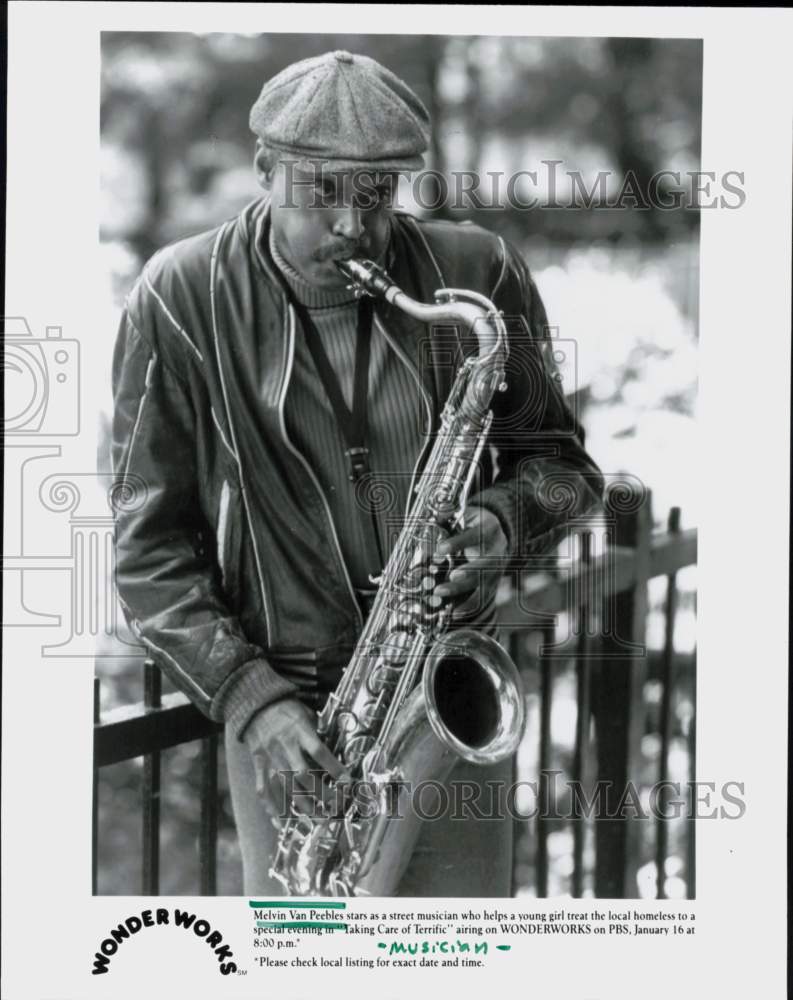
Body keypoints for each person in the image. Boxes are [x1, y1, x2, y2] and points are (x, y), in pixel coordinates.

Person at [111, 50, 603, 897]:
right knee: (314, 966)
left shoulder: (475, 272)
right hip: (293, 728)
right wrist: (250, 700)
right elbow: (144, 546)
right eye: (323, 192)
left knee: (460, 967)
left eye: (377, 195)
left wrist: (500, 522)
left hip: (443, 685)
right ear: (264, 171)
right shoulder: (178, 295)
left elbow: (565, 470)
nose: (352, 225)